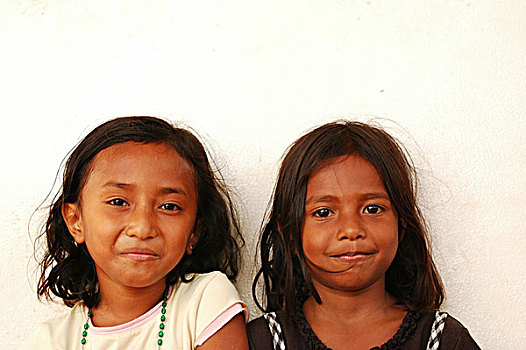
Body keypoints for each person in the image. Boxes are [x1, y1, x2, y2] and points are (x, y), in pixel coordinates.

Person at [248, 121, 480, 349]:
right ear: (289, 232)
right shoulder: (261, 341)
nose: (351, 230)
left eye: (372, 209)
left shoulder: (442, 340)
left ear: (402, 223)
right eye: (323, 212)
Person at [24, 116, 248, 349]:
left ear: (194, 231)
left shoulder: (205, 300)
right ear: (75, 220)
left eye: (169, 206)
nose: (142, 228)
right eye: (119, 202)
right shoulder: (51, 340)